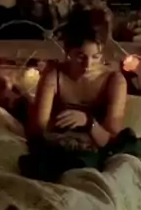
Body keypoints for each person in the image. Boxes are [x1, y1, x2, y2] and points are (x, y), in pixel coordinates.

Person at [30, 13, 127, 149]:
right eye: (80, 57)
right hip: (59, 148)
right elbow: (38, 131)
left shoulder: (114, 81)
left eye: (95, 57)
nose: (88, 65)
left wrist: (88, 122)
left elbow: (111, 140)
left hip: (98, 151)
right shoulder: (54, 76)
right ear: (68, 51)